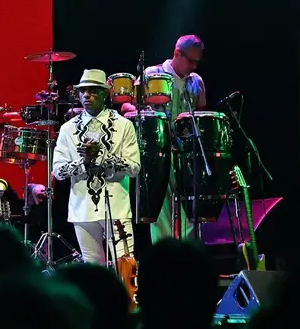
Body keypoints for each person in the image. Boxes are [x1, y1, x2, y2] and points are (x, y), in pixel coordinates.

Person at [123, 34, 207, 242]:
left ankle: (188, 254)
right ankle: (164, 255)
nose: (194, 67)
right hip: (159, 151)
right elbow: (127, 106)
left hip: (186, 153)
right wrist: (149, 116)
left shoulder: (196, 81)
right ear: (177, 53)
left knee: (190, 206)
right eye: (191, 61)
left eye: (197, 62)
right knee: (162, 208)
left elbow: (201, 113)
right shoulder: (153, 74)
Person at [53, 69, 140, 266]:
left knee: (125, 266)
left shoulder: (123, 125)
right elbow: (58, 171)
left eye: (93, 90)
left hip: (116, 206)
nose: (86, 95)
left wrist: (101, 158)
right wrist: (83, 162)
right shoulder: (68, 128)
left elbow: (134, 167)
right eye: (83, 91)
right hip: (82, 208)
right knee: (93, 270)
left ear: (105, 93)